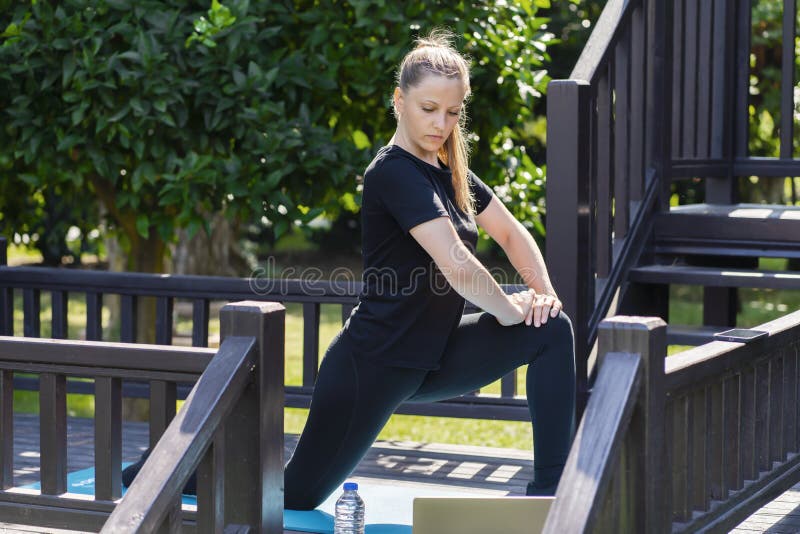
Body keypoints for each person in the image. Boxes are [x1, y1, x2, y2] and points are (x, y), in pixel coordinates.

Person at [283, 29, 575, 511]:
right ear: (399, 101)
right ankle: (169, 466)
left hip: (434, 358)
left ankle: (551, 497)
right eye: (429, 109)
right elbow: (457, 267)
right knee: (298, 495)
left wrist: (543, 295)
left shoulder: (449, 170)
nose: (442, 123)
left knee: (550, 331)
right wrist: (505, 309)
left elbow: (511, 232)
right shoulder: (392, 172)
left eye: (453, 112)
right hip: (373, 365)